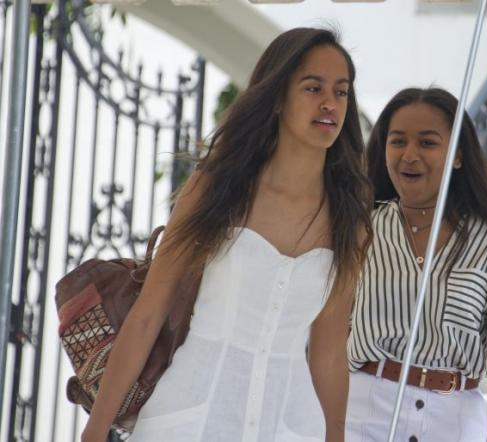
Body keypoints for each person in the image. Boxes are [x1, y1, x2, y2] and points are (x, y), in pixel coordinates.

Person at [81, 27, 373, 442]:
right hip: (190, 422)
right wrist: (95, 430)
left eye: (341, 91)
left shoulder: (348, 216)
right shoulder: (217, 188)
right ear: (276, 99)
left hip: (290, 428)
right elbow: (148, 316)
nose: (330, 103)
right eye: (313, 88)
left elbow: (327, 353)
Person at [346, 87, 487, 442]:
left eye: (427, 143)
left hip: (456, 423)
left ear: (458, 156)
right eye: (397, 141)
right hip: (360, 417)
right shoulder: (359, 229)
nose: (409, 155)